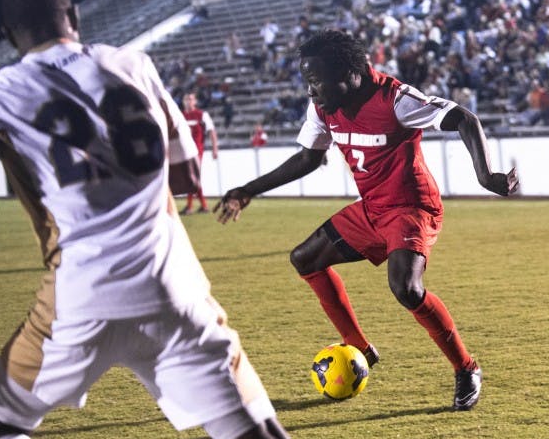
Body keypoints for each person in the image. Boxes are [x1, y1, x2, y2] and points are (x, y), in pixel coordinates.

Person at [0, 0, 404, 439]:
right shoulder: (131, 64)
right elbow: (185, 171)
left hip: (80, 293)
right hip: (174, 286)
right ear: (76, 19)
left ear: (10, 36)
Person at [215, 30, 519, 410]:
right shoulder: (324, 106)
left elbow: (463, 118)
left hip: (411, 208)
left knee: (406, 288)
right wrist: (248, 189)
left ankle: (466, 367)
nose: (310, 90)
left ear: (349, 71)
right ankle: (360, 347)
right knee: (304, 259)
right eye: (306, 81)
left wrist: (485, 175)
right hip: (371, 208)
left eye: (316, 80)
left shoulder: (394, 99)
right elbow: (308, 158)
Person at [178, 91, 218, 214]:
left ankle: (190, 207)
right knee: (192, 178)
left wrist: (214, 148)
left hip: (196, 151)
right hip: (184, 151)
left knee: (192, 177)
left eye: (191, 99)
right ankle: (204, 206)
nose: (188, 102)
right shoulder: (180, 116)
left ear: (195, 101)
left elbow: (211, 131)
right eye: (186, 99)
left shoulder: (201, 115)